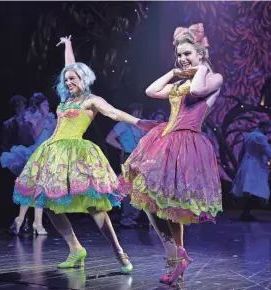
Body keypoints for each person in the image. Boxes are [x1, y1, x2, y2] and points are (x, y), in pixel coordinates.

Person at [12, 35, 157, 273]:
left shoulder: (91, 100)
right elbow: (70, 66)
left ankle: (119, 251)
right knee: (46, 202)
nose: (68, 81)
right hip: (52, 153)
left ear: (83, 78)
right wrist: (68, 45)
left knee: (94, 205)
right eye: (65, 79)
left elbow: (114, 114)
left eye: (72, 78)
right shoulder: (66, 100)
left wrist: (140, 122)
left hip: (77, 153)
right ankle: (75, 248)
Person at [118, 23, 223, 284]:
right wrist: (174, 71)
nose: (183, 58)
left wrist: (199, 68)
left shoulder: (213, 78)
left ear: (201, 54)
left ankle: (176, 257)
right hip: (165, 139)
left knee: (170, 204)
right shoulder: (179, 82)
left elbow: (198, 91)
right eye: (179, 54)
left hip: (187, 143)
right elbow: (151, 91)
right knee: (151, 198)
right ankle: (175, 254)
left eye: (188, 53)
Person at [1, 93, 56, 235]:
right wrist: (44, 116)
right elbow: (36, 134)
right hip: (35, 155)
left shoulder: (51, 118)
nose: (48, 107)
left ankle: (27, 221)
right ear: (38, 106)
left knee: (39, 188)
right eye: (45, 105)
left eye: (48, 105)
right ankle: (31, 222)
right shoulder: (32, 117)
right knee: (32, 188)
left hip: (47, 155)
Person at [106, 103, 146, 228]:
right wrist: (121, 148)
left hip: (140, 158)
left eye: (139, 112)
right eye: (135, 112)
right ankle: (126, 217)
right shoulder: (123, 124)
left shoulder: (140, 127)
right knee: (129, 188)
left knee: (140, 187)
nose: (137, 114)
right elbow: (109, 138)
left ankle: (133, 217)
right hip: (128, 156)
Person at [231, 119, 271, 221]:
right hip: (255, 164)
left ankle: (246, 212)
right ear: (264, 126)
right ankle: (246, 212)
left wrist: (240, 164)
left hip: (247, 163)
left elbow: (242, 152)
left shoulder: (249, 135)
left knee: (252, 188)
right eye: (268, 127)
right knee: (257, 188)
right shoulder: (261, 137)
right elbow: (268, 152)